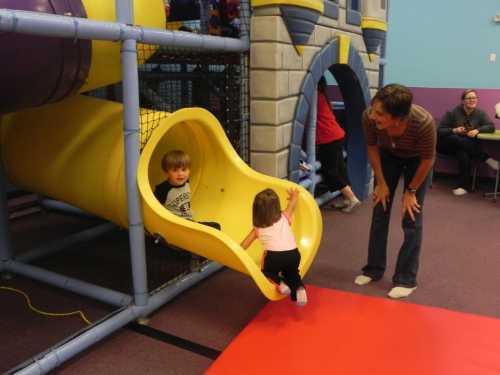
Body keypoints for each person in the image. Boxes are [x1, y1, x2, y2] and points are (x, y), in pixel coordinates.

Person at [354, 84, 436, 299]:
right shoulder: (369, 118)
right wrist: (381, 182)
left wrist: (410, 191)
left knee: (411, 215)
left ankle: (406, 279)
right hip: (388, 156)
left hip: (418, 160)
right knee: (380, 209)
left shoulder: (423, 123)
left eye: (380, 114)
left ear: (398, 118)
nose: (373, 116)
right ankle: (373, 269)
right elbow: (372, 148)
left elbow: (428, 160)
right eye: (373, 110)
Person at [240, 188, 307, 306]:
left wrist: (234, 250)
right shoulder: (285, 216)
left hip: (274, 257)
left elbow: (243, 246)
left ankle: (281, 284)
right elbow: (292, 204)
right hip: (293, 254)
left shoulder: (257, 228)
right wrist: (294, 196)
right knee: (292, 273)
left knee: (266, 272)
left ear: (256, 211)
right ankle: (299, 289)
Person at [154, 150, 220, 268]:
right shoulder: (163, 189)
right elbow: (153, 208)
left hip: (189, 222)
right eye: (175, 170)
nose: (180, 174)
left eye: (184, 170)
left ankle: (193, 249)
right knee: (197, 235)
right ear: (166, 171)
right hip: (176, 226)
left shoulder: (187, 182)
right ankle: (193, 255)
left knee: (216, 226)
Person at [437, 89, 497, 196]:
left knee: (463, 153)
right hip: (445, 144)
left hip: (464, 147)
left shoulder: (480, 113)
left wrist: (477, 130)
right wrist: (454, 130)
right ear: (463, 101)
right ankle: (485, 157)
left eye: (474, 98)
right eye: (469, 98)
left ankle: (463, 186)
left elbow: (491, 126)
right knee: (455, 138)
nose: (472, 100)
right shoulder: (453, 112)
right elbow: (440, 130)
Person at [316, 77, 360, 212]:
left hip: (328, 138)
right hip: (335, 135)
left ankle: (351, 198)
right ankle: (347, 199)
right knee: (340, 168)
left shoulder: (316, 97)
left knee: (331, 171)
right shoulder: (322, 95)